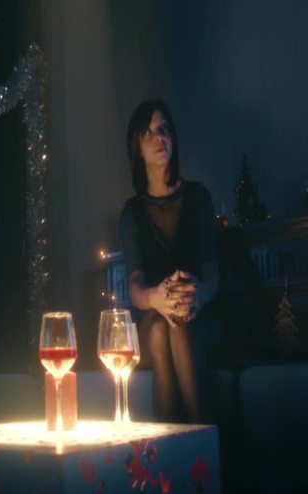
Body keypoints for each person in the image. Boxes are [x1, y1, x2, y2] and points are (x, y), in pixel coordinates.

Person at [119, 99, 220, 423]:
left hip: (199, 312)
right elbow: (135, 287)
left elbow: (213, 274)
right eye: (148, 133)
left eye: (163, 128)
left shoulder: (198, 198)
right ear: (137, 146)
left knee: (176, 323)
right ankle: (201, 439)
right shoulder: (132, 213)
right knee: (161, 327)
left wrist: (195, 296)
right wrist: (157, 298)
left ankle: (176, 445)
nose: (159, 137)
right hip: (152, 315)